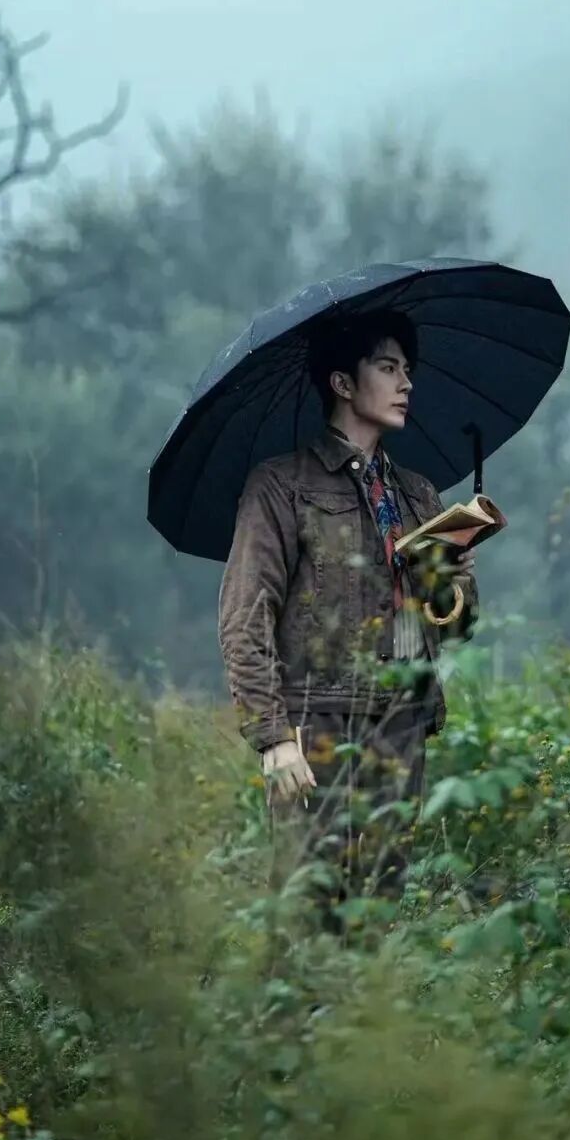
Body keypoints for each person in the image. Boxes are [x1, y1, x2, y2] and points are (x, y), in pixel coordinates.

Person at [217, 308, 478, 934]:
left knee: (377, 913)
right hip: (318, 724)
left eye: (407, 370)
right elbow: (245, 617)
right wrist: (274, 737)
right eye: (387, 367)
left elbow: (455, 627)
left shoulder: (418, 495)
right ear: (341, 383)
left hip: (402, 722)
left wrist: (453, 576)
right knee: (306, 909)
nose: (405, 383)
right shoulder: (280, 486)